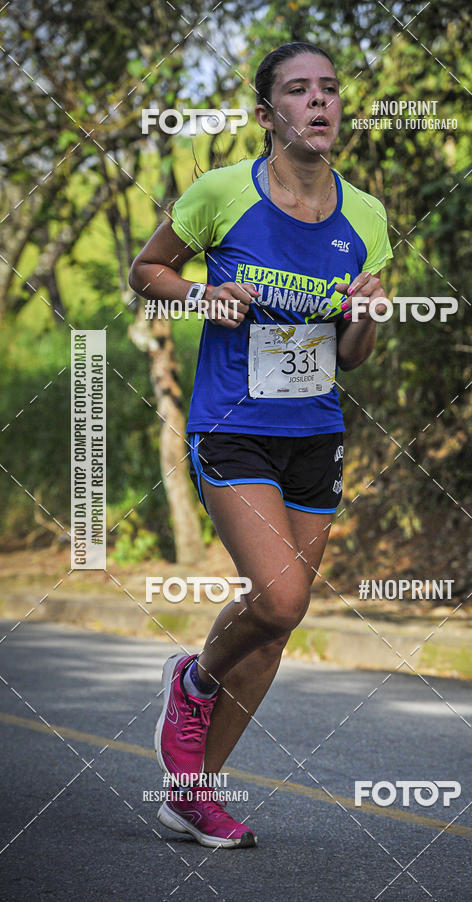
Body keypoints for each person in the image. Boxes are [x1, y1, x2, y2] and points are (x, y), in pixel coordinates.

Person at [129, 40, 393, 849]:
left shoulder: (369, 216)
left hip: (315, 433)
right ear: (266, 112)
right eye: (299, 90)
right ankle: (195, 681)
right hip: (233, 426)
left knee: (276, 629)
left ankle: (192, 793)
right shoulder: (220, 194)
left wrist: (367, 318)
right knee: (280, 599)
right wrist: (205, 296)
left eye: (330, 89)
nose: (320, 102)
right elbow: (146, 272)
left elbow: (353, 356)